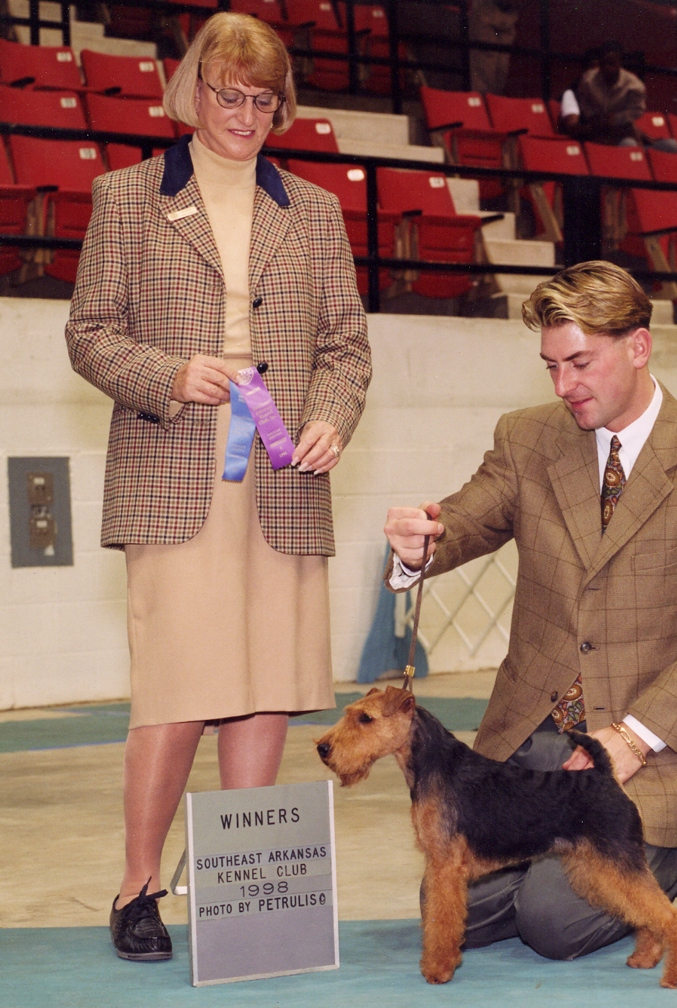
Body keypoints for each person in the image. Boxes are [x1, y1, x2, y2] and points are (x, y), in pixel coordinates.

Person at [65, 12, 371, 962]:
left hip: (281, 476)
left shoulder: (314, 210)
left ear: (283, 105)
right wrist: (169, 374)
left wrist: (329, 416)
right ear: (193, 90)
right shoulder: (126, 198)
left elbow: (346, 350)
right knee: (178, 687)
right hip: (176, 469)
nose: (245, 114)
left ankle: (242, 893)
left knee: (267, 681)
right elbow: (88, 332)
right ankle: (138, 887)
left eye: (263, 100)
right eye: (229, 94)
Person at [384, 261, 677, 960]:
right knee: (450, 911)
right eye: (551, 367)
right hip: (535, 737)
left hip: (642, 744)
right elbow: (468, 518)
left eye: (580, 363)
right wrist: (423, 543)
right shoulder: (527, 437)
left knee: (555, 925)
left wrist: (635, 735)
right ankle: (550, 860)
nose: (564, 386)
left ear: (639, 346)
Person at [562, 39, 677, 152]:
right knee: (629, 145)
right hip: (599, 137)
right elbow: (579, 115)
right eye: (603, 64)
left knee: (671, 145)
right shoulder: (587, 81)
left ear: (619, 64)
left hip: (625, 132)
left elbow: (636, 111)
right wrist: (595, 118)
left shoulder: (634, 85)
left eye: (611, 63)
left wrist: (617, 119)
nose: (607, 68)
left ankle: (645, 154)